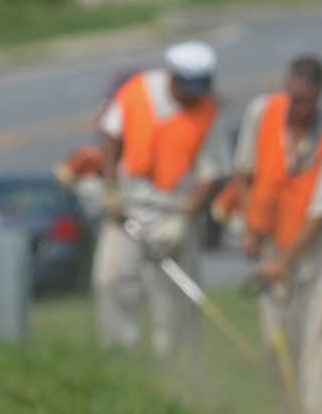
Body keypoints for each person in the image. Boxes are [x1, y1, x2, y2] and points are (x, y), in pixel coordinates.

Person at [233, 56, 322, 414]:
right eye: (293, 96)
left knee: (318, 337)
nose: (297, 106)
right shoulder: (261, 114)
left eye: (306, 100)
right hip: (275, 242)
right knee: (277, 342)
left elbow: (320, 216)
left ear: (319, 97)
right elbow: (244, 173)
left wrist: (284, 261)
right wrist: (251, 229)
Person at [92, 41, 230, 358]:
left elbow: (210, 175)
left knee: (171, 295)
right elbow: (111, 138)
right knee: (111, 279)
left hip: (175, 209)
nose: (193, 97)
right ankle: (119, 350)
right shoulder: (137, 92)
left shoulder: (207, 113)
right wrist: (111, 188)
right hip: (128, 203)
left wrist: (185, 218)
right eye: (187, 88)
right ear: (172, 78)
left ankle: (170, 360)